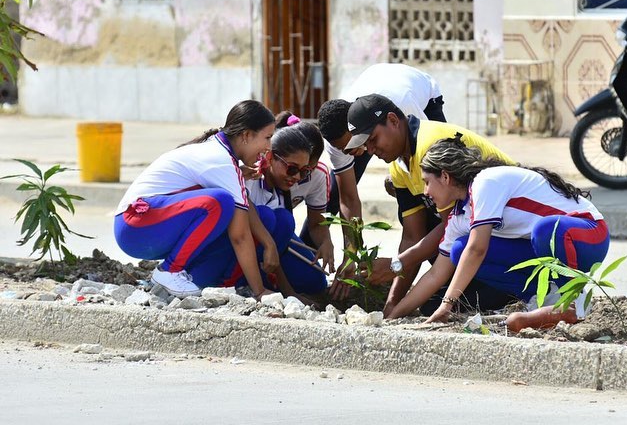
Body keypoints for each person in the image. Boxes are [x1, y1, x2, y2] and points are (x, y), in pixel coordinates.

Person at [385, 137, 610, 323]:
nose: (425, 192)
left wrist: (447, 304)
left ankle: (574, 302)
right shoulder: (459, 216)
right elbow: (435, 274)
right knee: (459, 249)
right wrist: (393, 315)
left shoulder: (485, 183)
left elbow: (478, 249)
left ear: (445, 176)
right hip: (545, 250)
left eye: (427, 182)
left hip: (589, 236)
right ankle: (543, 299)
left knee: (545, 230)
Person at [344, 94, 515, 315]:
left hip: (510, 230)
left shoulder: (429, 147)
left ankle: (508, 289)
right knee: (429, 302)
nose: (370, 150)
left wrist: (396, 264)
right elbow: (412, 236)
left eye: (373, 139)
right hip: (482, 230)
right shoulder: (398, 166)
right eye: (366, 145)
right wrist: (392, 304)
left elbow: (452, 227)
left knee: (444, 286)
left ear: (393, 121)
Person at [114, 100, 279, 300]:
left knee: (259, 215)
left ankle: (198, 279)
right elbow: (240, 236)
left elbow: (245, 209)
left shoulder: (221, 155)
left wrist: (268, 242)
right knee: (220, 202)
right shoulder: (221, 161)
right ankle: (169, 271)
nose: (269, 147)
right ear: (246, 135)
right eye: (267, 138)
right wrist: (260, 291)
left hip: (143, 227)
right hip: (135, 227)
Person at [314, 64, 446, 291]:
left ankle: (443, 270)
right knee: (334, 195)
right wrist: (352, 253)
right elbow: (348, 199)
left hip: (420, 95)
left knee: (434, 192)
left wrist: (405, 180)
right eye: (347, 151)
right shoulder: (337, 142)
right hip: (374, 92)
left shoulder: (403, 108)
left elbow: (423, 152)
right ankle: (306, 258)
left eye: (358, 144)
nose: (358, 152)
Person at [243, 115, 331, 295]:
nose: (297, 177)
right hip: (236, 244)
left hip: (272, 239)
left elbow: (315, 222)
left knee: (316, 282)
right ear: (270, 156)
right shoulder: (249, 175)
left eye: (306, 171)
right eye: (292, 168)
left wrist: (326, 242)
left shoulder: (281, 194)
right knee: (268, 218)